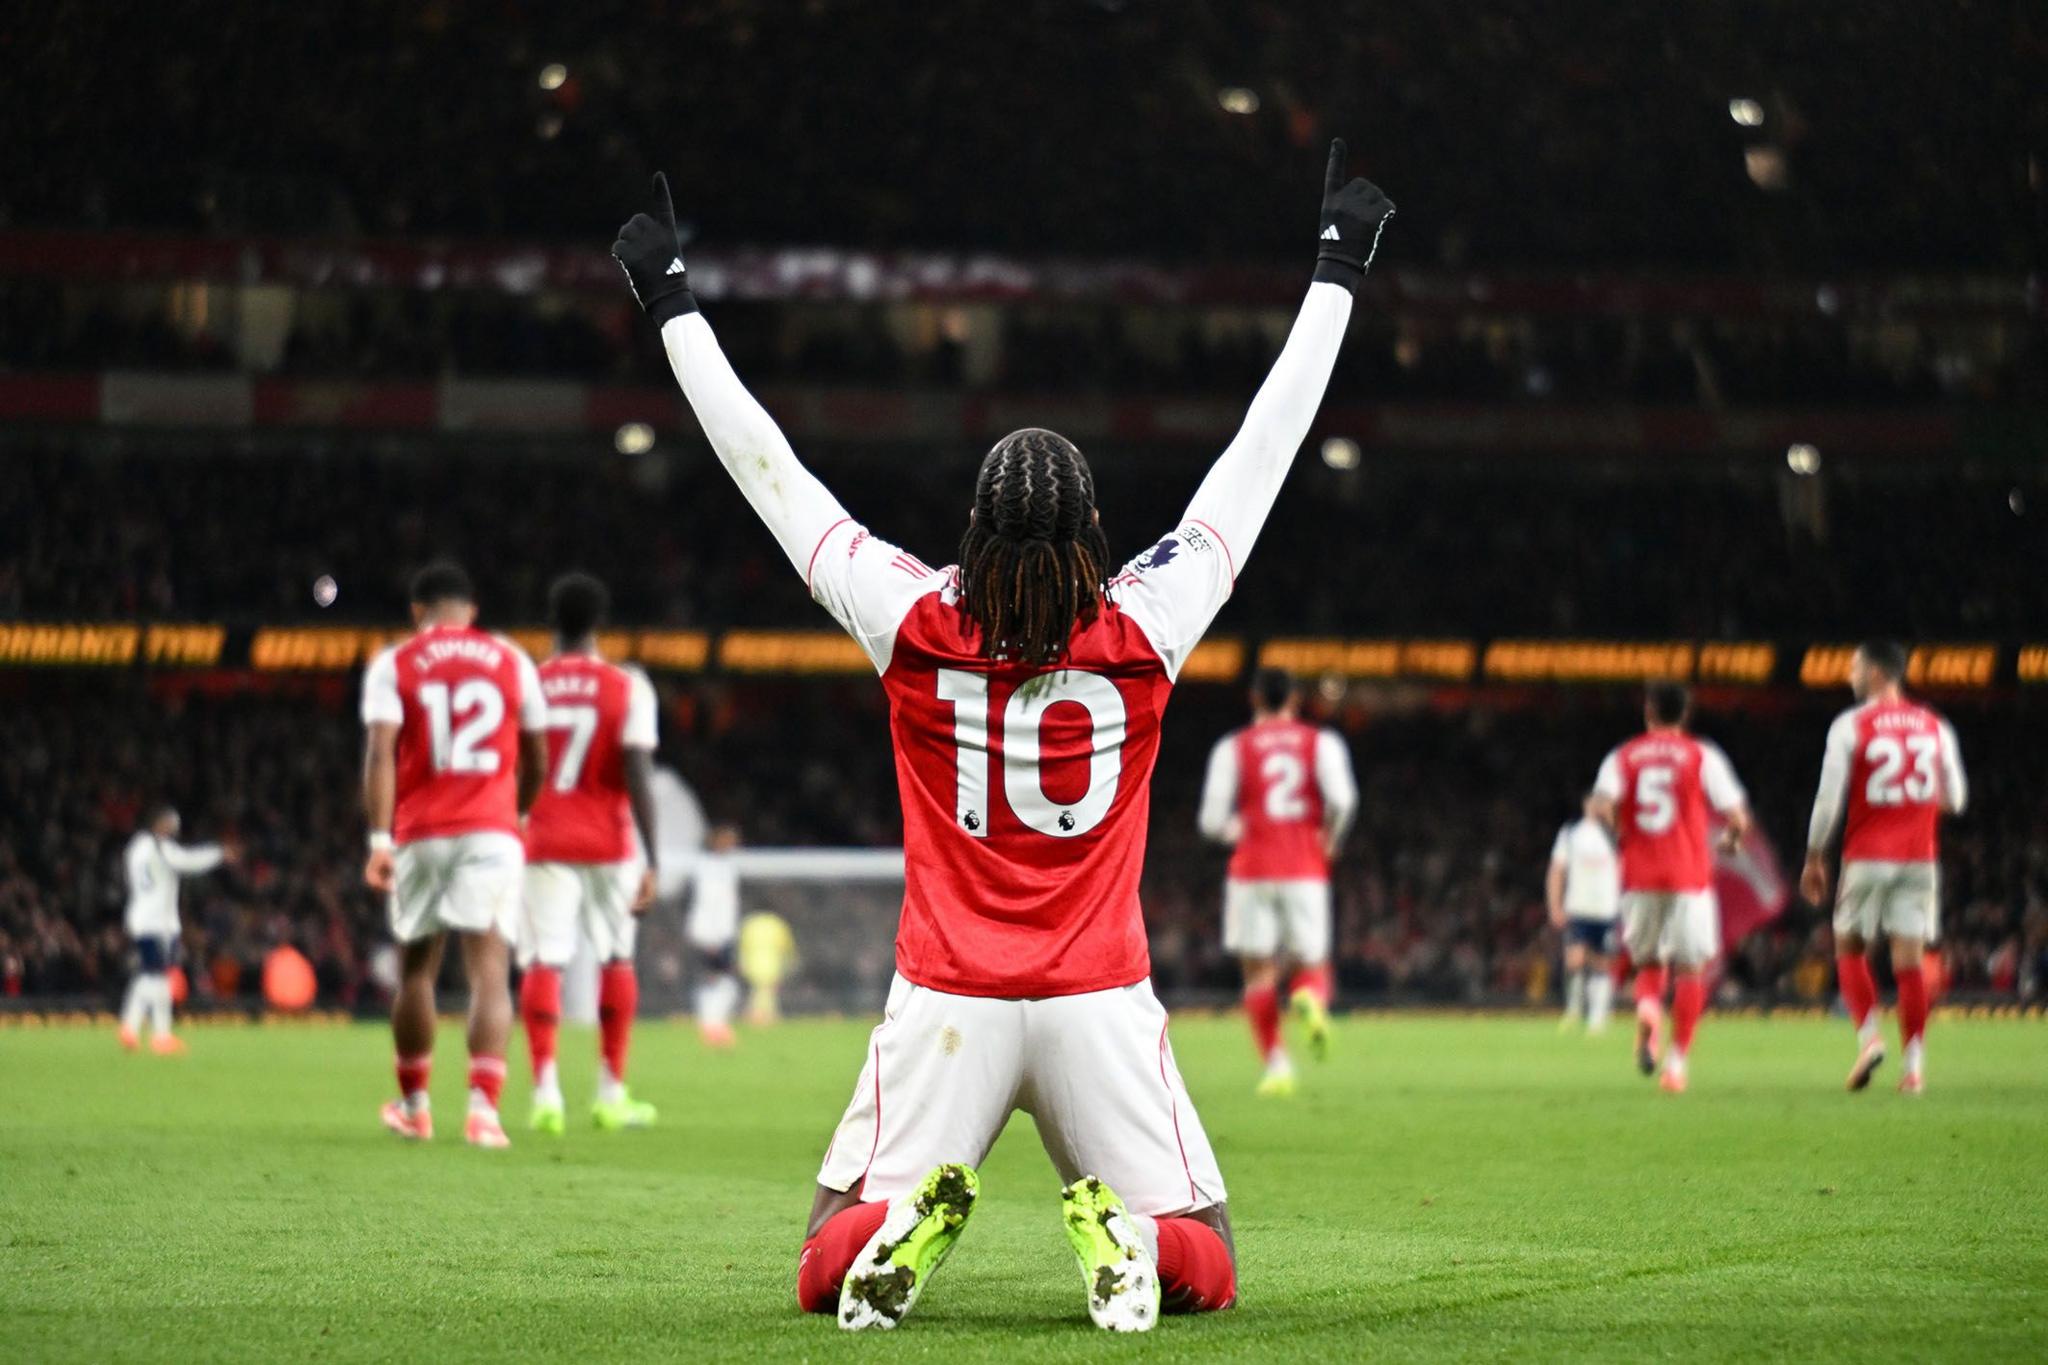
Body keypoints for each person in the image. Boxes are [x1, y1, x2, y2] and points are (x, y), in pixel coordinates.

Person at [611, 140, 1392, 1332]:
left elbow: (770, 472)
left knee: (825, 1249)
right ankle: (1126, 1236)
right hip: (1095, 996)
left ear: (973, 527)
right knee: (1212, 1260)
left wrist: (671, 303)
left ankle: (896, 1234)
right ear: (1092, 534)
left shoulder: (910, 619)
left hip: (946, 1001)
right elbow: (1258, 454)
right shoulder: (1146, 621)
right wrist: (1334, 269)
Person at [361, 561, 548, 1148]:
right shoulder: (512, 659)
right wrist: (517, 812)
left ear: (418, 611)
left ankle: (415, 1106)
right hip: (491, 830)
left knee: (417, 969)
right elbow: (537, 753)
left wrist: (378, 839)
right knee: (489, 970)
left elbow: (381, 752)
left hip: (420, 831)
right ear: (471, 611)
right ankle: (482, 1113)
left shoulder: (394, 663)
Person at [516, 572, 662, 1134]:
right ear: (599, 623)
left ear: (553, 622)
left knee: (544, 960)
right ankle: (610, 1093)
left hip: (544, 837)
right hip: (608, 840)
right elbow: (638, 771)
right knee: (616, 958)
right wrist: (653, 858)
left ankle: (546, 1094)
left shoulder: (527, 682)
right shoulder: (627, 686)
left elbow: (517, 765)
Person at [1801, 640, 1966, 1095]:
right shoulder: (1935, 725)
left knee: (1849, 945)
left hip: (1867, 855)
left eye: (1855, 667)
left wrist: (1815, 855)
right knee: (1909, 962)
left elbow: (1828, 798)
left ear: (1876, 674)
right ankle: (1913, 1070)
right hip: (1919, 856)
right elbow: (1956, 798)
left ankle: (1870, 1039)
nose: (1850, 675)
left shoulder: (1851, 725)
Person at [1196, 667, 1357, 1095]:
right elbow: (1342, 801)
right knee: (1311, 964)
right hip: (1305, 867)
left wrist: (1241, 831)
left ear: (1254, 699)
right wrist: (1330, 837)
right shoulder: (1320, 742)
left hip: (1251, 871)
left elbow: (1212, 820)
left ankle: (1277, 1065)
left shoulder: (1233, 747)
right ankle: (1308, 997)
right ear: (1296, 700)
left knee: (1258, 974)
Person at [1589, 681, 1752, 1094]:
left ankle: (1647, 1008)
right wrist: (1731, 839)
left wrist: (1622, 830)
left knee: (1647, 961)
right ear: (1685, 714)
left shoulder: (1623, 756)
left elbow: (1602, 805)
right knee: (1690, 969)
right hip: (1688, 876)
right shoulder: (1702, 755)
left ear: (1648, 711)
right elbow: (1737, 816)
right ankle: (1676, 1066)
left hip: (1640, 874)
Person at [119, 805, 235, 1053]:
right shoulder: (160, 847)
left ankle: (129, 1026)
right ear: (160, 824)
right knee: (159, 977)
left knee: (148, 974)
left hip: (142, 916)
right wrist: (218, 854)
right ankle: (161, 1035)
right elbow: (186, 861)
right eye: (172, 824)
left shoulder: (135, 848)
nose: (174, 829)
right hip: (156, 921)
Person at [1546, 794, 1621, 1033]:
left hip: (1607, 909)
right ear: (1586, 803)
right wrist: (1555, 904)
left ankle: (1599, 1016)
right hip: (1578, 907)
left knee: (1602, 962)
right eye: (1594, 801)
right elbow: (1557, 869)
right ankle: (1574, 1009)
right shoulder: (1571, 834)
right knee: (1574, 959)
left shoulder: (1616, 834)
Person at [685, 824, 745, 1047]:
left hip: (723, 934)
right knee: (717, 979)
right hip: (711, 935)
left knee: (722, 980)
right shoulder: (707, 867)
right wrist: (710, 937)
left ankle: (714, 1024)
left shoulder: (727, 866)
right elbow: (707, 904)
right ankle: (711, 1025)